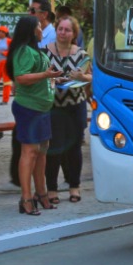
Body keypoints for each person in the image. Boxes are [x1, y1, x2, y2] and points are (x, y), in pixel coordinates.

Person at [7, 15, 62, 215]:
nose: (42, 29)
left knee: (41, 152)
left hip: (42, 109)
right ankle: (26, 198)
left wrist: (54, 78)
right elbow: (21, 78)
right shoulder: (24, 51)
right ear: (32, 30)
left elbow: (39, 76)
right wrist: (46, 75)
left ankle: (41, 194)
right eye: (39, 26)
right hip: (29, 108)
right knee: (29, 152)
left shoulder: (36, 51)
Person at [44, 16, 91, 205]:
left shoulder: (82, 54)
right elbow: (40, 77)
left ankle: (74, 186)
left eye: (67, 30)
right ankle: (52, 189)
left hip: (75, 105)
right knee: (52, 148)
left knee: (74, 148)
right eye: (60, 29)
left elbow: (93, 78)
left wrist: (81, 76)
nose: (63, 33)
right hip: (53, 106)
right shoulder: (44, 52)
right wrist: (53, 80)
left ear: (74, 33)